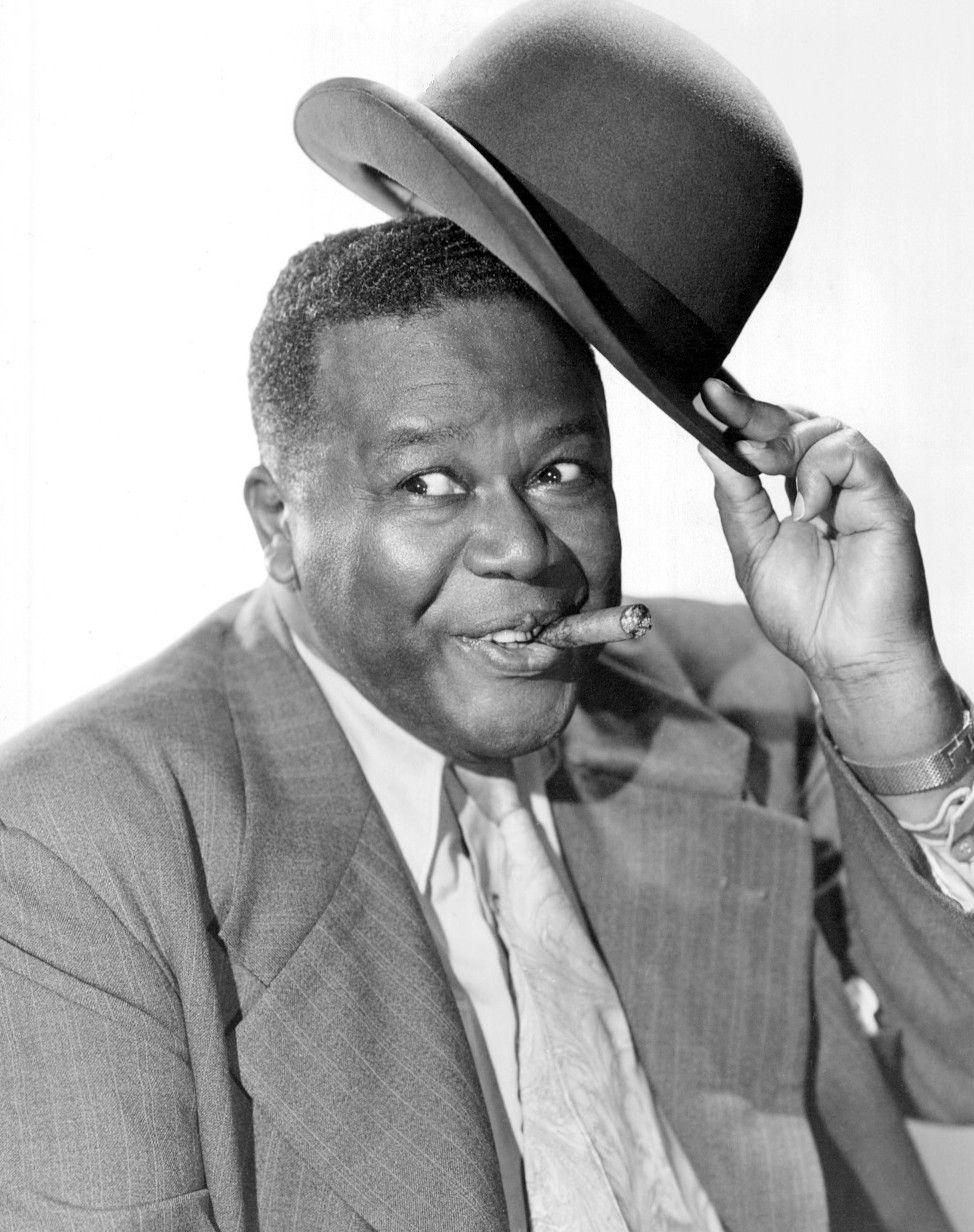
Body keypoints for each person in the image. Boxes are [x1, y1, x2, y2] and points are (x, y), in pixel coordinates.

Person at [4, 4, 974, 1232]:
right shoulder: (78, 846)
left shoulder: (753, 698)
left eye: (562, 470)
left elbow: (959, 1068)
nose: (522, 548)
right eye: (428, 482)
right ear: (278, 522)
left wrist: (884, 681)